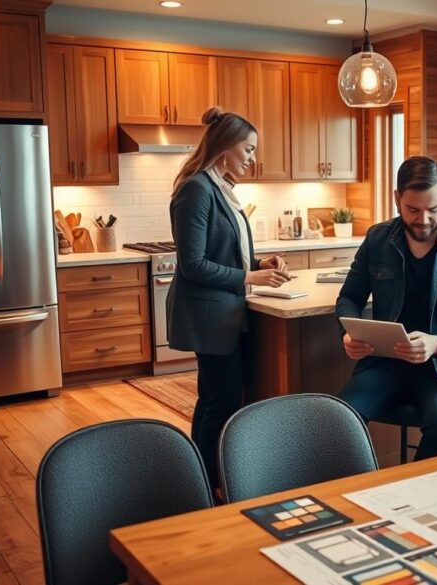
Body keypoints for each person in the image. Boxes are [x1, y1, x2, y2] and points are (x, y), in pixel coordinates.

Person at [336, 156, 437, 460]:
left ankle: (416, 497)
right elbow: (349, 298)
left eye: (433, 209)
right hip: (385, 364)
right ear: (396, 199)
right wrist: (348, 332)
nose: (424, 219)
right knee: (341, 417)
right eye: (413, 209)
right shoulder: (377, 239)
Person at [167, 106, 290, 488]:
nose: (253, 159)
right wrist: (251, 275)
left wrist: (257, 260)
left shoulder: (220, 188)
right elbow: (193, 265)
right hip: (210, 317)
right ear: (225, 148)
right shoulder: (197, 189)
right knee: (219, 402)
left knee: (216, 400)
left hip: (225, 315)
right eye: (248, 150)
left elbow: (223, 251)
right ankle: (204, 483)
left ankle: (204, 479)